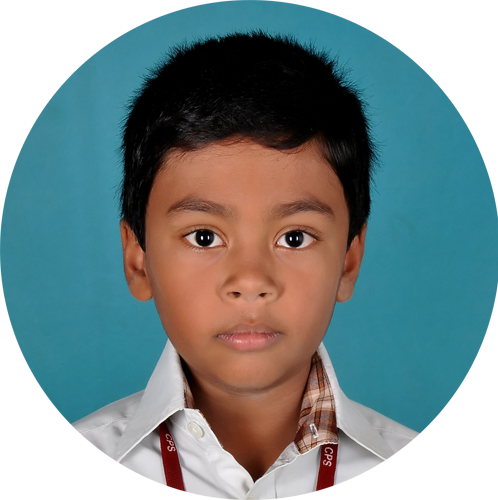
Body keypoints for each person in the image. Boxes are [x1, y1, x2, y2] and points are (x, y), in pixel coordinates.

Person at [71, 32, 420, 500]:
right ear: (138, 260)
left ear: (348, 262)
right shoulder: (79, 464)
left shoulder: (408, 471)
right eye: (204, 237)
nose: (251, 281)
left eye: (294, 238)